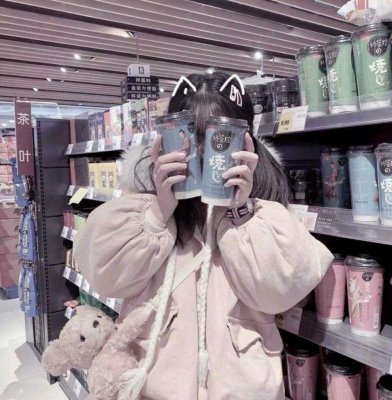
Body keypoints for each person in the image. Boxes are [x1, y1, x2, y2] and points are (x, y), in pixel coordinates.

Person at [74, 72, 333, 400]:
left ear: (246, 142)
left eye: (220, 137)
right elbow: (106, 277)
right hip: (155, 386)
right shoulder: (137, 208)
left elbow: (279, 294)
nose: (203, 151)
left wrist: (240, 211)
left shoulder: (264, 211)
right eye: (189, 135)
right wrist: (159, 211)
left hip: (242, 390)